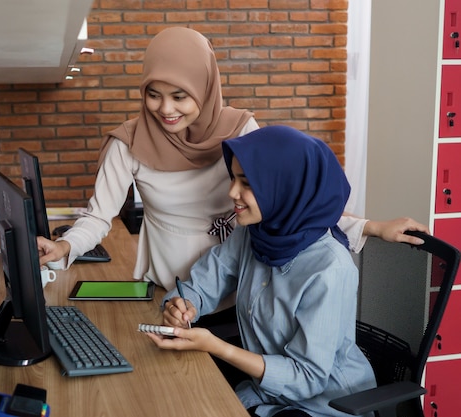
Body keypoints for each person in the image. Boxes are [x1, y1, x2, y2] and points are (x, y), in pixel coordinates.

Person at [37, 26, 428, 292]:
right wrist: (65, 247)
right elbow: (98, 216)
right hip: (169, 287)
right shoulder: (128, 142)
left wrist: (371, 227)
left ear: (206, 89)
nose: (165, 109)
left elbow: (285, 200)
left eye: (180, 96)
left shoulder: (241, 129)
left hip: (240, 286)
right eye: (154, 94)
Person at [145, 125, 376, 417]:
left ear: (286, 186)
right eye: (233, 178)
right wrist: (182, 306)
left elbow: (308, 379)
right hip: (265, 393)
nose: (232, 192)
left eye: (247, 182)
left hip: (326, 406)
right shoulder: (253, 233)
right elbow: (202, 284)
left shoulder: (330, 268)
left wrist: (217, 347)